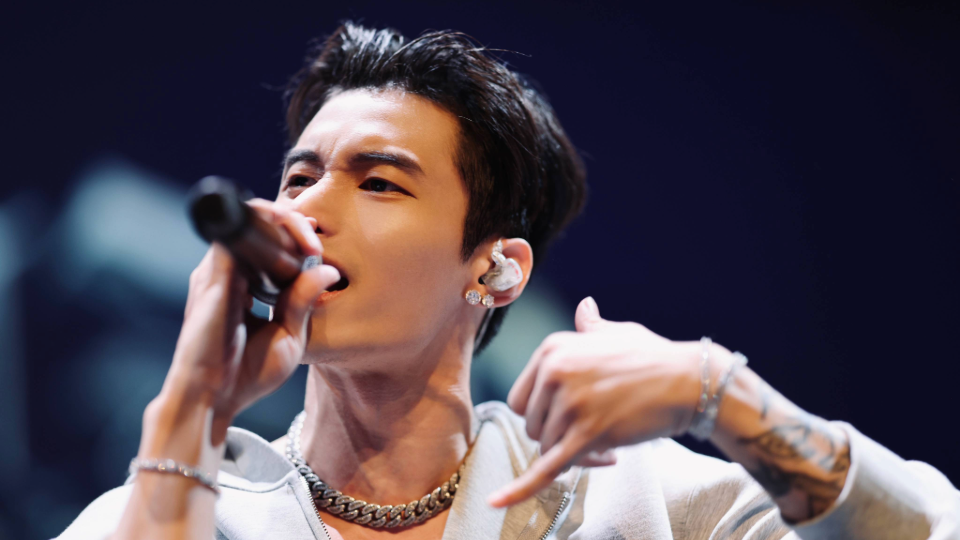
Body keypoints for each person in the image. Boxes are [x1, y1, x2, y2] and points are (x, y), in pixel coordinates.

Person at [58, 22, 958, 540]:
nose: (307, 211)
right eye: (298, 178)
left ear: (494, 267)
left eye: (379, 182)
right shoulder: (176, 503)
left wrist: (716, 390)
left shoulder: (637, 503)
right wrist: (193, 407)